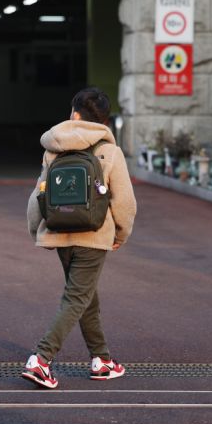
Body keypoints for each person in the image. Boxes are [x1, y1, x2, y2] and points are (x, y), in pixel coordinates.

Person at [22, 87, 137, 389]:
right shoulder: (109, 151)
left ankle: (101, 359)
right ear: (105, 122)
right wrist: (121, 234)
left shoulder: (54, 149)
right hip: (94, 234)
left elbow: (38, 194)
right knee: (77, 297)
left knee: (85, 296)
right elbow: (125, 202)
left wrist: (37, 230)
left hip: (61, 233)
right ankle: (41, 359)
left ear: (74, 114)